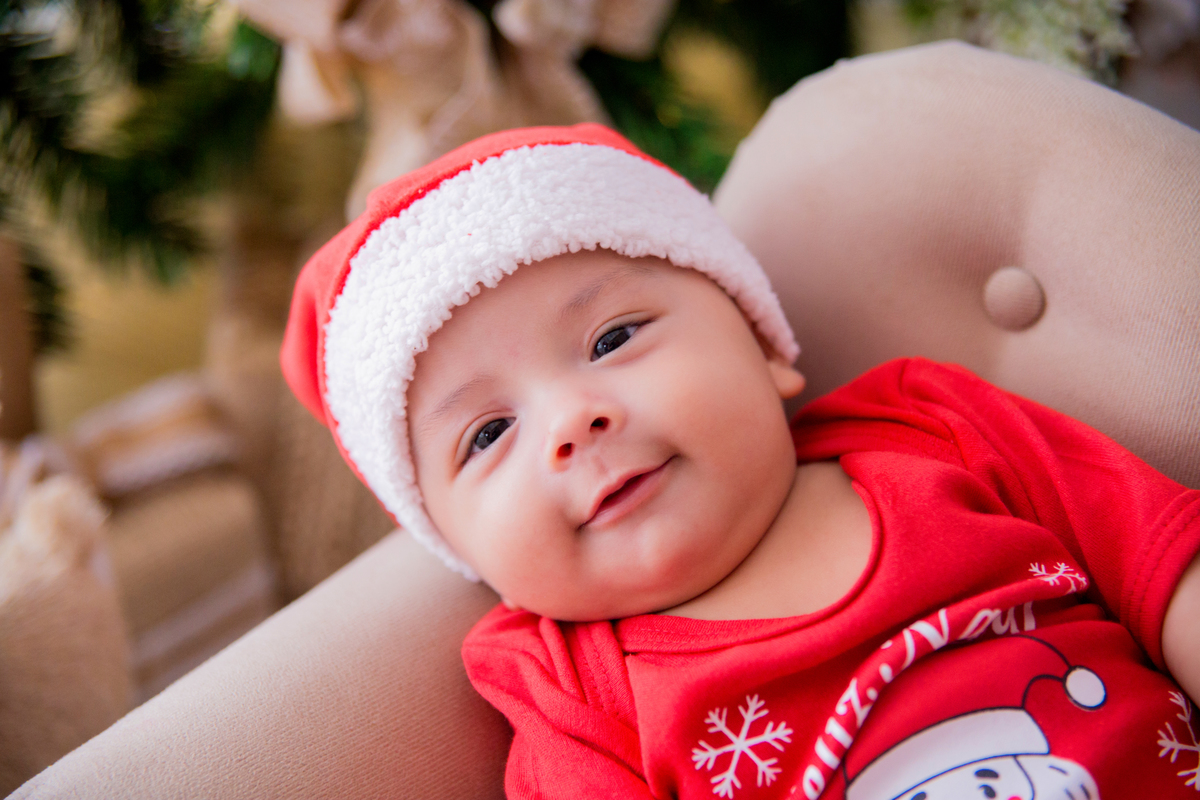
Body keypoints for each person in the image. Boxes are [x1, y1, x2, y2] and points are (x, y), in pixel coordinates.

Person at [280, 123, 1200, 799]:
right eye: (486, 435)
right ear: (457, 546)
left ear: (763, 341)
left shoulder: (936, 426)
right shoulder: (573, 692)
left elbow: (1169, 568)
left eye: (612, 338)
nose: (573, 420)